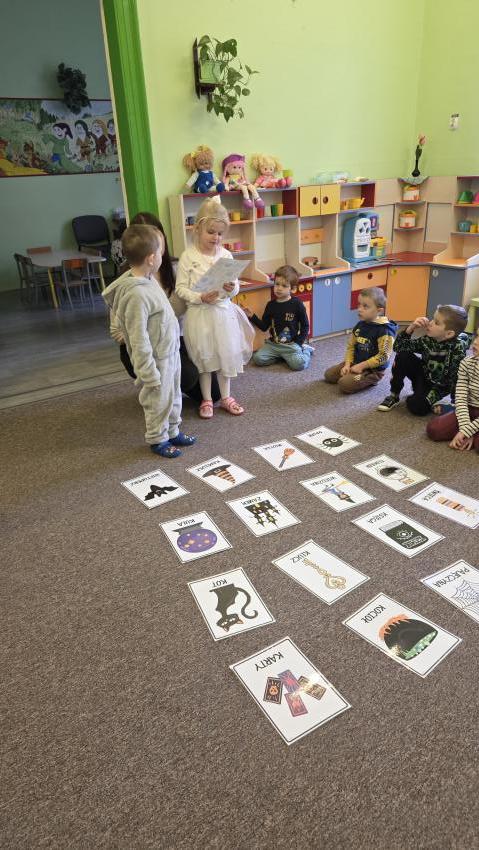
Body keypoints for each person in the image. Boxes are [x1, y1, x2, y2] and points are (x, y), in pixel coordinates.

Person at [102, 224, 196, 458]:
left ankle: (172, 430)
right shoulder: (135, 294)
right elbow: (137, 338)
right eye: (161, 252)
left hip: (170, 352)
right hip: (156, 360)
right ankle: (158, 438)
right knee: (158, 401)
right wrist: (147, 372)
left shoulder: (149, 279)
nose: (163, 257)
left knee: (173, 395)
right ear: (152, 258)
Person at [111, 211, 220, 406]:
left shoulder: (176, 266)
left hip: (173, 338)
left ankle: (168, 389)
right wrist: (147, 338)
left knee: (213, 393)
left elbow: (189, 302)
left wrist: (204, 294)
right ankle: (158, 390)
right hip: (146, 346)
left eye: (158, 237)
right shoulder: (128, 281)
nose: (156, 244)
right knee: (186, 377)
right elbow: (117, 330)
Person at [175, 197, 254, 418]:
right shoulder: (188, 256)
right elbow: (181, 289)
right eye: (211, 232)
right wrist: (200, 297)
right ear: (198, 228)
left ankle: (226, 397)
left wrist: (231, 288)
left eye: (220, 233)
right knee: (205, 359)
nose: (216, 237)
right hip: (200, 315)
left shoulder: (226, 255)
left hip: (223, 314)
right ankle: (207, 399)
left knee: (225, 355)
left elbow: (235, 287)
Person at [377, 304, 469, 414]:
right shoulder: (428, 339)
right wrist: (410, 328)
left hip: (438, 387)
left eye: (436, 322)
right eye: (432, 319)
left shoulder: (457, 349)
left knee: (417, 407)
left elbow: (458, 379)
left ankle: (424, 395)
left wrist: (455, 403)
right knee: (403, 355)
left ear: (449, 333)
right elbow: (398, 347)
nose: (430, 323)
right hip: (423, 374)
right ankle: (394, 395)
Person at [324, 287, 397, 393]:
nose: (359, 309)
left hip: (372, 370)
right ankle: (353, 373)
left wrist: (362, 366)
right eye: (359, 304)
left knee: (344, 384)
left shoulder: (385, 330)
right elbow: (351, 346)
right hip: (356, 362)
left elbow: (384, 356)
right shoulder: (360, 325)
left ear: (379, 310)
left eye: (365, 306)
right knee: (329, 375)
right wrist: (347, 364)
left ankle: (372, 379)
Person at [243, 265, 313, 371]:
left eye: (284, 286)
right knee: (258, 359)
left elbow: (305, 326)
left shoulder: (297, 304)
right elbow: (264, 326)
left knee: (299, 365)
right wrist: (252, 316)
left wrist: (298, 343)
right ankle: (282, 356)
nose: (279, 288)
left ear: (292, 289)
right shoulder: (271, 305)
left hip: (291, 345)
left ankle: (306, 350)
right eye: (277, 284)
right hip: (274, 345)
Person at [426, 328, 479, 451]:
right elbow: (461, 396)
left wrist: (466, 431)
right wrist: (465, 429)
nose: (475, 342)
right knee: (434, 429)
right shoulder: (467, 363)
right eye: (477, 336)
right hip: (468, 408)